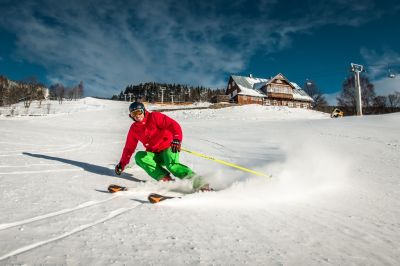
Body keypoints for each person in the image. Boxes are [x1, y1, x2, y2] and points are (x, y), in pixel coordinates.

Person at [115, 101, 210, 191]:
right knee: (140, 157)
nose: (137, 116)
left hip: (169, 147)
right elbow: (129, 148)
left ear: (143, 110)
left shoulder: (154, 117)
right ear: (131, 116)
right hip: (155, 154)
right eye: (134, 114)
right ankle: (165, 179)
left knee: (172, 165)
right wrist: (122, 164)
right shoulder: (134, 129)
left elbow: (173, 125)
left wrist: (177, 139)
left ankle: (200, 183)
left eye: (139, 112)